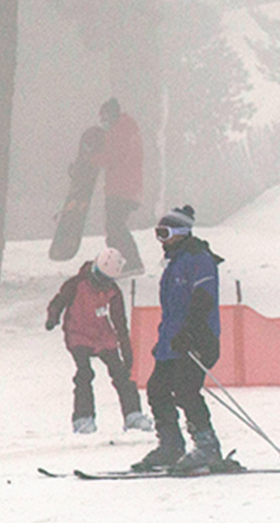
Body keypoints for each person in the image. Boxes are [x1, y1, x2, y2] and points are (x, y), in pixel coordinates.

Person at [133, 206, 235, 474]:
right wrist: (164, 339)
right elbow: (172, 309)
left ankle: (207, 447)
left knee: (186, 390)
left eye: (164, 233)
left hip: (198, 340)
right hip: (172, 343)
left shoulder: (199, 259)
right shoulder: (174, 262)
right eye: (158, 234)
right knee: (157, 389)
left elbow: (203, 299)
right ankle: (171, 446)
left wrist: (189, 333)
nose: (161, 240)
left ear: (180, 232)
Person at [45, 247, 151, 435]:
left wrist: (126, 351)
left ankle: (133, 414)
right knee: (84, 373)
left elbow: (119, 322)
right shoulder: (76, 284)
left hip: (103, 335)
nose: (101, 284)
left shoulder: (112, 291)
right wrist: (53, 317)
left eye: (106, 281)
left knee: (121, 374)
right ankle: (83, 418)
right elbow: (59, 301)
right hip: (78, 333)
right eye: (99, 278)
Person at [94, 98, 145, 275]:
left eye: (104, 117)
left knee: (115, 227)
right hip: (126, 187)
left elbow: (112, 156)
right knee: (114, 227)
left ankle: (131, 262)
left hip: (121, 188)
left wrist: (91, 159)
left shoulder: (121, 131)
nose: (103, 122)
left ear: (111, 115)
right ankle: (120, 263)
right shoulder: (126, 129)